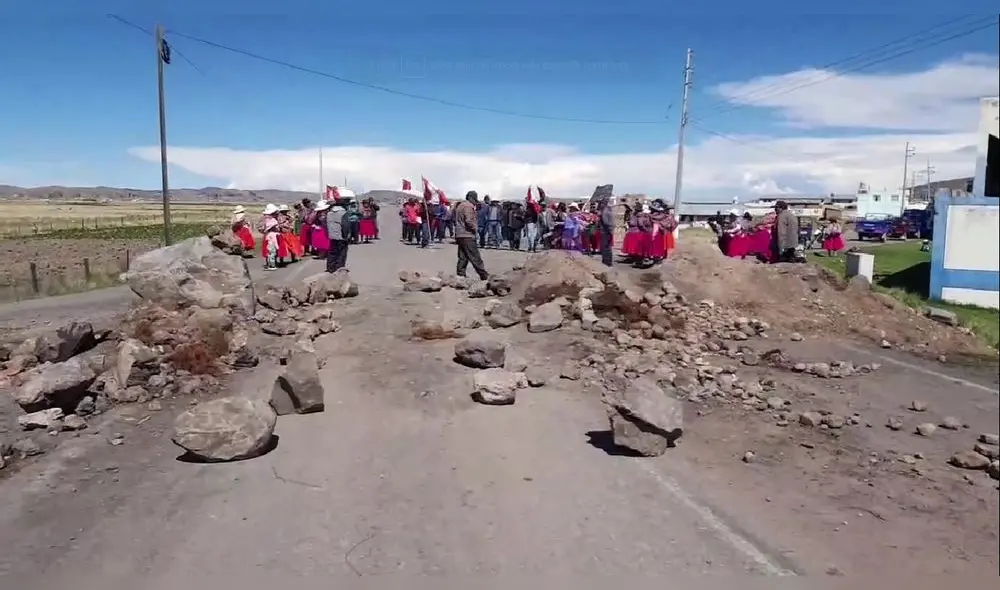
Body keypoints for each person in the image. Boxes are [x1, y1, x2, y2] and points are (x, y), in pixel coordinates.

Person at [453, 190, 490, 280]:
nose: (475, 202)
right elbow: (469, 220)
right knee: (475, 256)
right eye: (474, 200)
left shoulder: (460, 205)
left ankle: (460, 274)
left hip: (459, 234)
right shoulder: (468, 206)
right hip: (467, 234)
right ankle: (484, 275)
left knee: (463, 256)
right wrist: (475, 228)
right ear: (470, 198)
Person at [325, 198, 350, 272]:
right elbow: (345, 226)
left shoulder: (329, 213)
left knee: (332, 253)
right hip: (341, 236)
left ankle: (330, 268)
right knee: (341, 253)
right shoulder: (343, 213)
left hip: (332, 236)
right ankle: (339, 269)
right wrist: (347, 236)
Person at [258, 203, 281, 271]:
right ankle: (271, 265)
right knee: (272, 251)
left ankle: (270, 264)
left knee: (270, 250)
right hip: (272, 236)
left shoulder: (267, 219)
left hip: (269, 236)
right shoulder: (272, 220)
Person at [597, 195, 615, 267]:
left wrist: (609, 230)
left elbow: (606, 222)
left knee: (605, 247)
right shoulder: (609, 210)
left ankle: (606, 262)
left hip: (605, 231)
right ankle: (608, 261)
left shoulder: (604, 211)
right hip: (608, 230)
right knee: (608, 247)